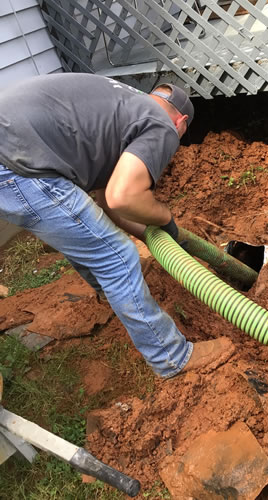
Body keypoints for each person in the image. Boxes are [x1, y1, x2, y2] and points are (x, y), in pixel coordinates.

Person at [0, 73, 234, 378]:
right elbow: (122, 196)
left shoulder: (121, 109)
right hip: (17, 166)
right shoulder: (161, 124)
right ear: (181, 123)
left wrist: (151, 237)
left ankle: (108, 293)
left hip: (16, 151)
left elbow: (106, 200)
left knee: (84, 230)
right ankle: (172, 357)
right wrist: (164, 218)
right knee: (119, 255)